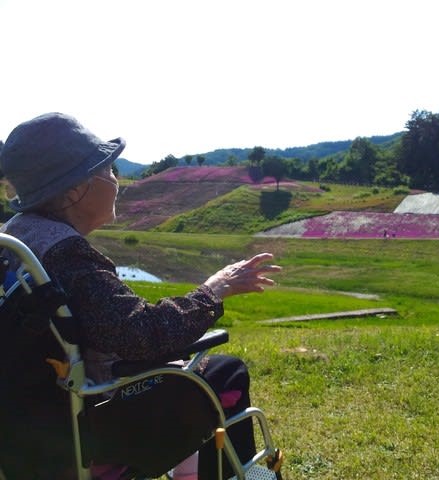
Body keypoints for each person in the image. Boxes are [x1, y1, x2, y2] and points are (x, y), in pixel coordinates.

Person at [0, 112, 282, 479]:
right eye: (106, 169)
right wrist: (216, 288)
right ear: (72, 191)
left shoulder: (17, 238)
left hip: (27, 426)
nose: (116, 179)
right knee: (225, 372)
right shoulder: (66, 254)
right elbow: (141, 335)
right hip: (79, 434)